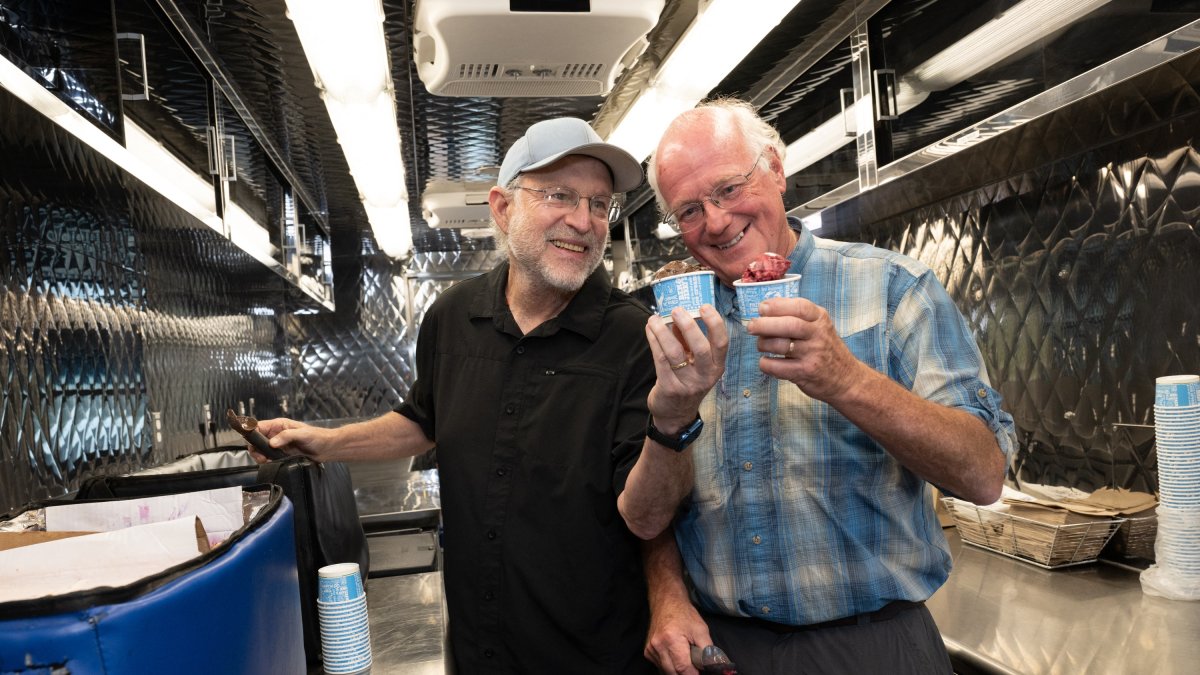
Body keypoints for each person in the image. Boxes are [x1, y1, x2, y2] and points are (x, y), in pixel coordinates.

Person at [247, 117, 726, 674]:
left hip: (590, 655)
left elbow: (645, 514)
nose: (584, 220)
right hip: (477, 649)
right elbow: (425, 420)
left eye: (600, 204)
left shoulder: (633, 338)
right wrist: (320, 444)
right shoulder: (452, 318)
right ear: (502, 207)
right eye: (560, 196)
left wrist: (673, 420)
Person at [638, 98, 1018, 674]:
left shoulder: (893, 287)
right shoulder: (679, 325)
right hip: (727, 652)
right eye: (688, 210)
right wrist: (665, 594)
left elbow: (983, 474)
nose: (714, 222)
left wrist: (847, 380)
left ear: (775, 169)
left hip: (875, 649)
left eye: (728, 189)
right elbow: (652, 508)